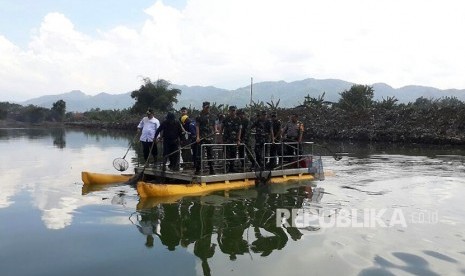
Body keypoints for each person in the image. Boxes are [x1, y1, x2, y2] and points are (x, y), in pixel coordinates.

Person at [195, 101, 216, 175]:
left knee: (210, 154)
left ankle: (211, 168)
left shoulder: (212, 116)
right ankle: (198, 169)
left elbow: (214, 125)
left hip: (209, 137)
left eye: (208, 107)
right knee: (199, 154)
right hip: (201, 137)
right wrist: (197, 136)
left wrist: (215, 130)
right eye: (206, 107)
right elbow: (197, 126)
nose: (207, 109)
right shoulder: (199, 116)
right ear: (203, 107)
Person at [220, 106, 242, 173]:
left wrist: (238, 139)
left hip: (234, 140)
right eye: (232, 110)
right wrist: (221, 139)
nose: (233, 112)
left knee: (233, 154)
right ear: (229, 111)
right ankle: (227, 168)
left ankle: (232, 168)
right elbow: (221, 129)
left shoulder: (238, 119)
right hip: (226, 140)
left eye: (234, 110)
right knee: (227, 154)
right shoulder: (226, 119)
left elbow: (239, 130)